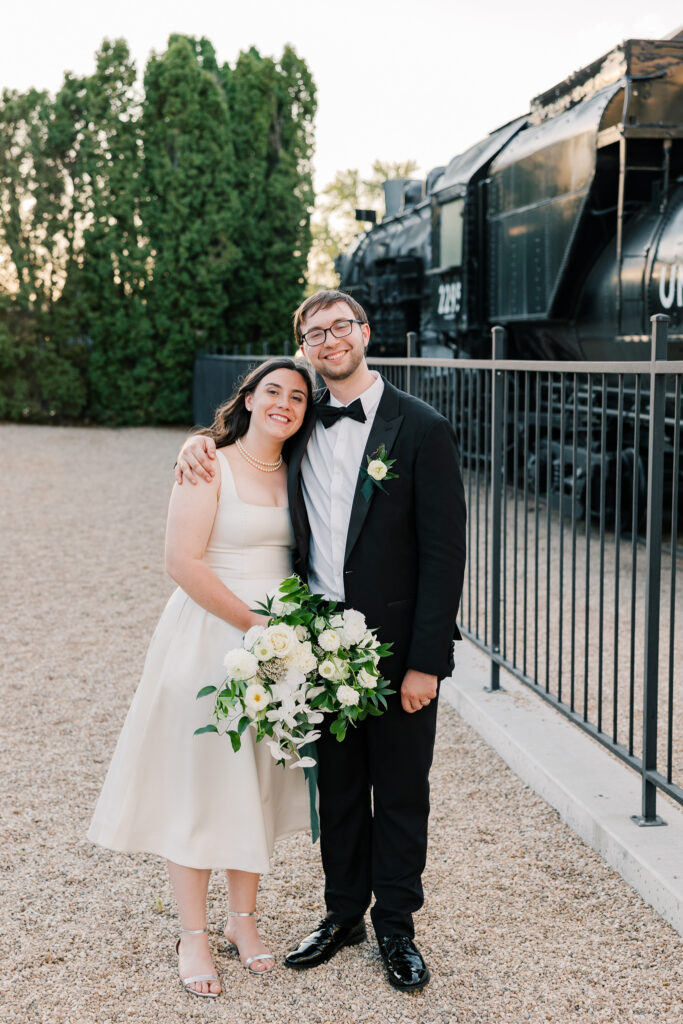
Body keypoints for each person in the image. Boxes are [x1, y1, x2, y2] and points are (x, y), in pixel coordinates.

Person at [176, 290, 466, 992]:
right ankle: (342, 916)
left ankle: (396, 927)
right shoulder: (299, 425)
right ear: (304, 346)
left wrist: (426, 661)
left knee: (398, 792)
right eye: (315, 332)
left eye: (341, 327)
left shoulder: (420, 427)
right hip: (315, 646)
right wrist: (197, 444)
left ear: (364, 333)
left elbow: (444, 553)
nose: (330, 339)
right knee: (335, 791)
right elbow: (246, 446)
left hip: (397, 649)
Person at [88, 357, 315, 998]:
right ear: (248, 398)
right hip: (212, 639)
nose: (285, 404)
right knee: (198, 784)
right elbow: (181, 562)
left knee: (257, 784)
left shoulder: (301, 468)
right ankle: (193, 933)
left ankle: (243, 923)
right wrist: (254, 626)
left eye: (298, 398)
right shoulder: (207, 463)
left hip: (278, 645)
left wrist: (284, 637)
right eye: (273, 391)